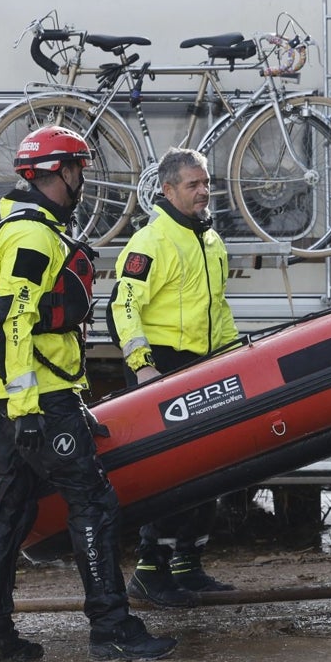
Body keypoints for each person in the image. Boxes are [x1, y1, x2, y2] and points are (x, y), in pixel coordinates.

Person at [0, 125, 176, 662]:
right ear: (59, 173)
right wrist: (31, 408)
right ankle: (111, 627)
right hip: (35, 397)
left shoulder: (17, 230)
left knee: (9, 505)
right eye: (79, 169)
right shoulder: (32, 236)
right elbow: (15, 320)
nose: (84, 180)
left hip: (5, 394)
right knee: (93, 504)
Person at [108, 148, 239, 608]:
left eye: (206, 183)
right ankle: (150, 570)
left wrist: (232, 358)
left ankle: (188, 562)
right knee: (168, 475)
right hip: (161, 367)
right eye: (193, 185)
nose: (204, 191)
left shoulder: (210, 240)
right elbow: (123, 306)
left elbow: (217, 310)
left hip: (203, 364)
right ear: (167, 190)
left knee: (209, 469)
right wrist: (142, 365)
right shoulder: (151, 241)